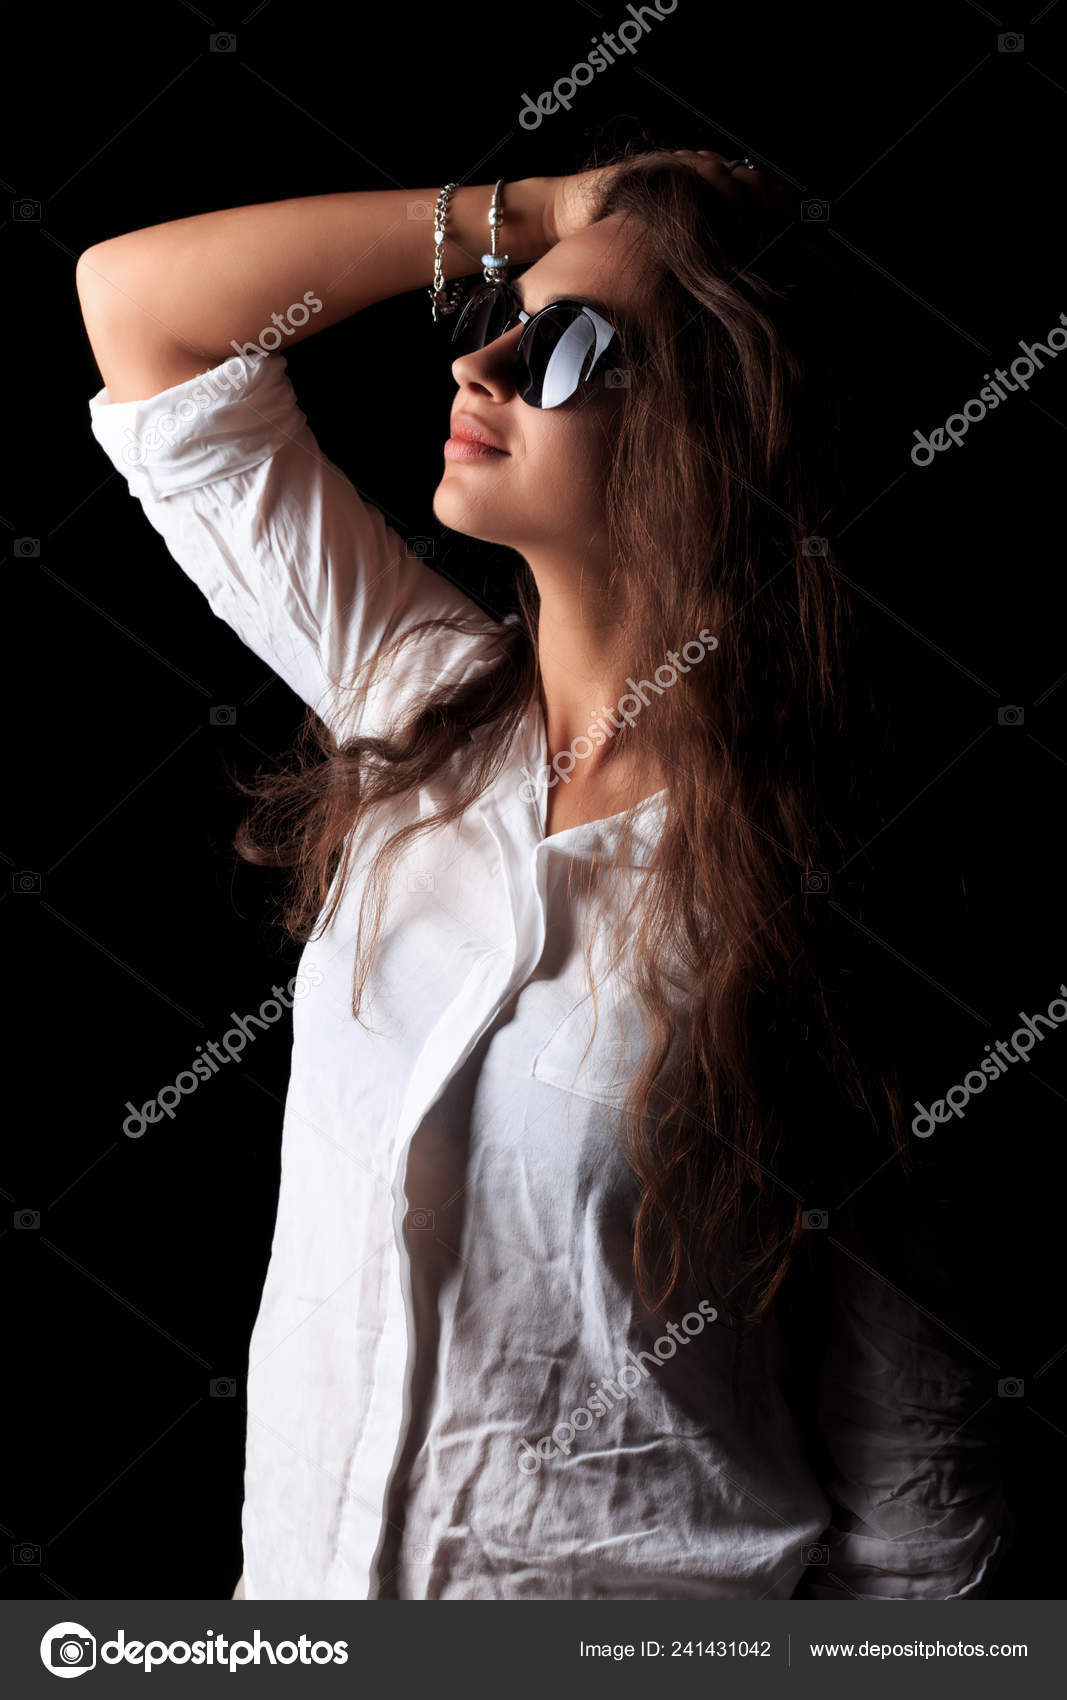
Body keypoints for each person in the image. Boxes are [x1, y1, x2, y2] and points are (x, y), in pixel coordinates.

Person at [77, 143, 1008, 1600]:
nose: (483, 364)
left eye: (569, 345)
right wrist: (541, 213)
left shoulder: (823, 897)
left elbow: (919, 1510)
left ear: (716, 435)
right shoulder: (410, 698)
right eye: (502, 317)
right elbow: (141, 314)